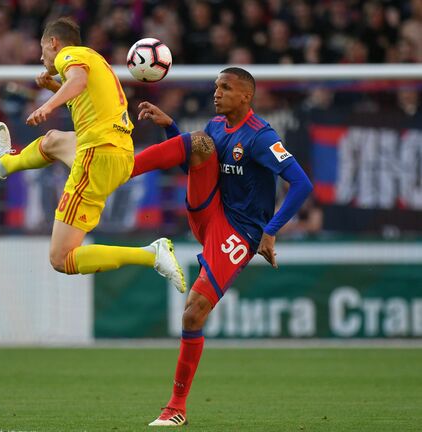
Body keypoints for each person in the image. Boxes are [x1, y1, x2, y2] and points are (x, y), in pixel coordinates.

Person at [131, 67, 313, 426]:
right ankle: (117, 170)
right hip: (209, 210)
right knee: (197, 141)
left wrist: (271, 230)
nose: (217, 93)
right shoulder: (216, 126)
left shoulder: (262, 137)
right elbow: (191, 164)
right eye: (216, 87)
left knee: (193, 313)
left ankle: (176, 407)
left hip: (239, 232)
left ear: (246, 96)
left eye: (226, 88)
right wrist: (170, 128)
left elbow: (302, 183)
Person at [0, 17, 186, 292]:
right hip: (117, 152)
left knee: (61, 258)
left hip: (98, 157)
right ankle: (4, 164)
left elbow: (78, 82)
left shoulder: (68, 56)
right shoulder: (94, 59)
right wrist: (53, 88)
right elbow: (85, 98)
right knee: (53, 141)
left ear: (53, 43)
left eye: (42, 48)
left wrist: (48, 105)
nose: (41, 55)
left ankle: (151, 254)